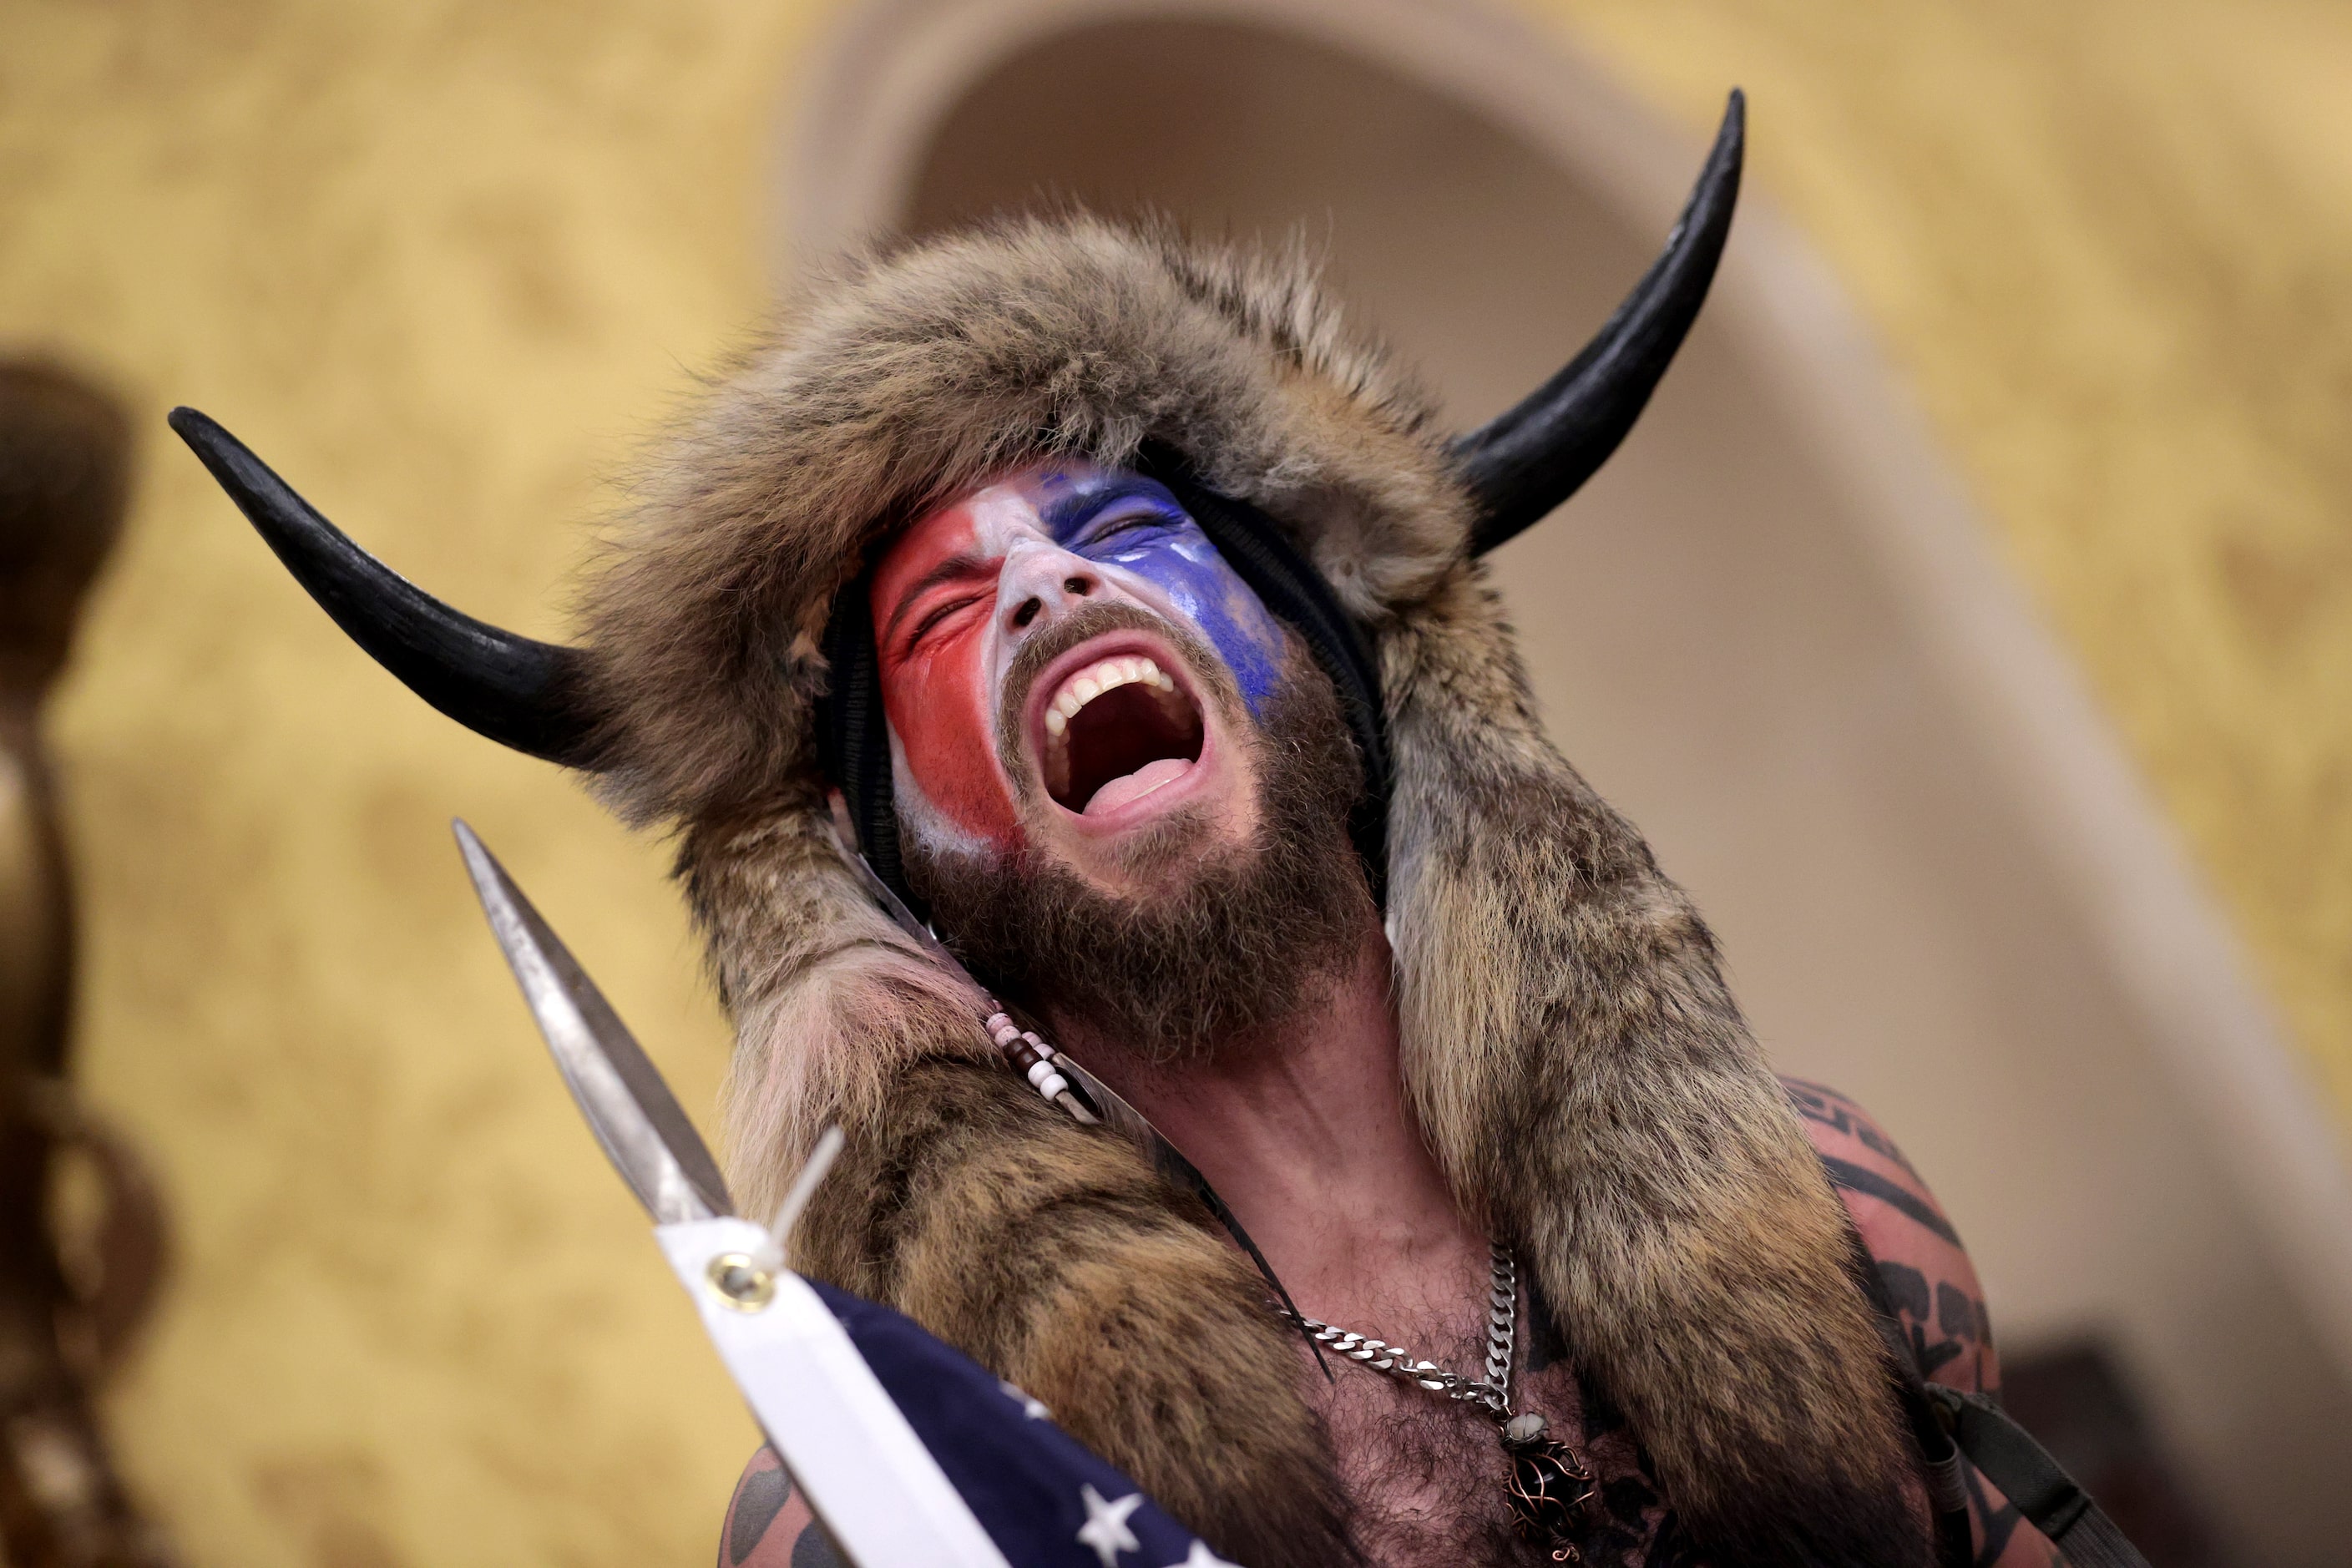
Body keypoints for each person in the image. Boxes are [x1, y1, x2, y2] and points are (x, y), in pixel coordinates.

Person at [177, 94, 2066, 1568]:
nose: (1035, 593)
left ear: (1324, 665)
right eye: (937, 615)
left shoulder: (1833, 1214)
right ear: (901, 847)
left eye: (1124, 537)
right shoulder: (882, 1501)